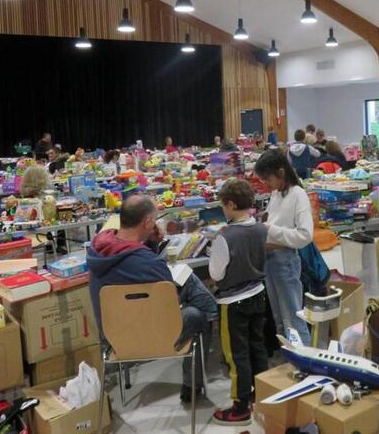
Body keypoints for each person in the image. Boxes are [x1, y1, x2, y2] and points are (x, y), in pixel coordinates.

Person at [87, 195, 217, 402]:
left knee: (195, 301)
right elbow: (169, 304)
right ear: (148, 222)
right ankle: (193, 386)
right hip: (151, 335)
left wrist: (151, 245)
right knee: (200, 310)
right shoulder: (148, 262)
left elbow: (137, 272)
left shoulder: (97, 248)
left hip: (113, 337)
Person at [210, 180, 269, 425]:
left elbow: (216, 274)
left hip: (233, 301)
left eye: (223, 205)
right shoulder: (261, 228)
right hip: (258, 293)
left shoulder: (225, 237)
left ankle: (240, 405)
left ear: (231, 204)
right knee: (258, 347)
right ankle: (261, 395)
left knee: (236, 354)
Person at [254, 150, 314, 346]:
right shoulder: (277, 193)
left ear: (280, 172)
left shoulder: (298, 195)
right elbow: (275, 223)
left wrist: (271, 229)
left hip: (285, 261)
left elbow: (305, 235)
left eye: (267, 179)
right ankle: (288, 362)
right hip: (270, 260)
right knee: (279, 319)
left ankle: (305, 361)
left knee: (294, 319)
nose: (266, 184)